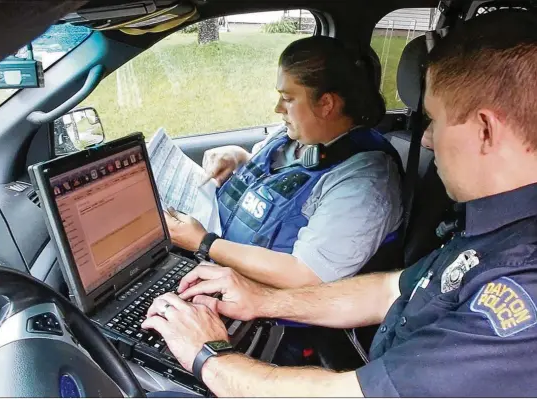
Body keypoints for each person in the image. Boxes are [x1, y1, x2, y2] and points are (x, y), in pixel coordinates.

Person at [143, 10, 537, 397]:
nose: (428, 141)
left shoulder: (521, 290)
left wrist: (208, 354)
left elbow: (344, 393)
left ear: (485, 130)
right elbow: (389, 290)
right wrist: (261, 298)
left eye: (433, 120)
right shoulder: (494, 228)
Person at [165, 36, 403, 289]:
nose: (278, 108)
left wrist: (204, 242)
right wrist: (239, 157)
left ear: (326, 104)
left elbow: (304, 275)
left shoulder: (366, 183)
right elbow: (282, 186)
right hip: (213, 270)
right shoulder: (292, 137)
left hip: (267, 311)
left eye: (288, 98)